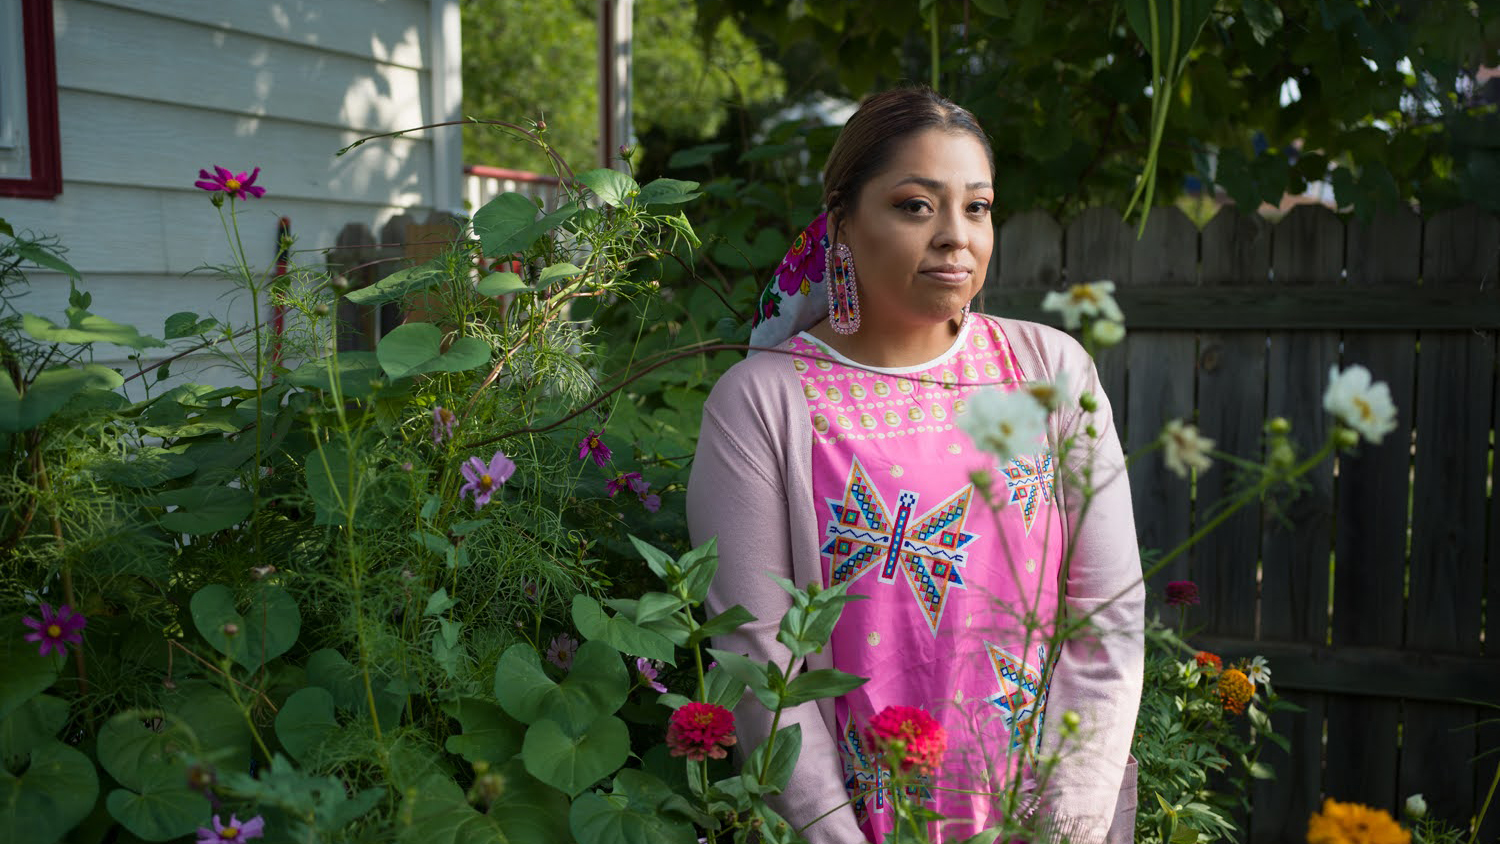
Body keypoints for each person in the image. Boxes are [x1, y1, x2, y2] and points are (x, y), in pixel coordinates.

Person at [686, 87, 1143, 844]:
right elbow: (762, 660)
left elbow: (1108, 617)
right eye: (915, 206)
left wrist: (1063, 831)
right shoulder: (762, 402)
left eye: (977, 206)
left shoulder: (1050, 372)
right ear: (841, 223)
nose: (955, 237)